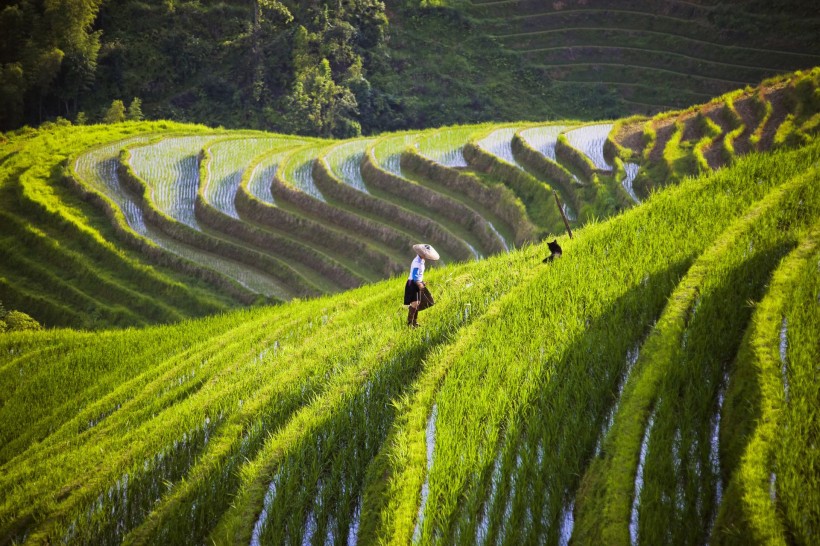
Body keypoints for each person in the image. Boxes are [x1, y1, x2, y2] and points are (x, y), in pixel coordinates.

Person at [404, 243, 439, 327]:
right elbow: (415, 276)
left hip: (416, 283)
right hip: (413, 283)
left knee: (418, 303)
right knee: (415, 303)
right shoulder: (417, 263)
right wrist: (419, 284)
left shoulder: (421, 261)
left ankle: (414, 322)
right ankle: (409, 323)